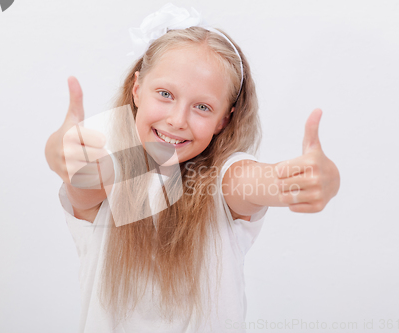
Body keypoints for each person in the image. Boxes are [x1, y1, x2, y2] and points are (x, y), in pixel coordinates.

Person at [44, 4, 340, 332]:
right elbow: (82, 179)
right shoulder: (108, 175)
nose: (177, 120)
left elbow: (256, 182)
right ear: (137, 89)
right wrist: (61, 151)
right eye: (165, 94)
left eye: (202, 107)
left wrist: (303, 180)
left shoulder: (222, 180)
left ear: (223, 120)